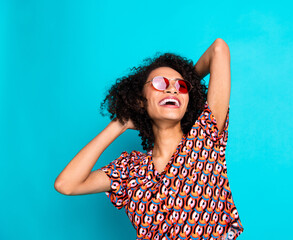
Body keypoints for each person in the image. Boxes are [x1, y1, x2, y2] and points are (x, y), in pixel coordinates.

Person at [54, 38, 244, 239]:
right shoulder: (129, 169)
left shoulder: (205, 137)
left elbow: (219, 49)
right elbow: (66, 185)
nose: (172, 89)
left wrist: (188, 86)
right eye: (160, 83)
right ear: (140, 101)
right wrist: (119, 123)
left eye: (181, 86)